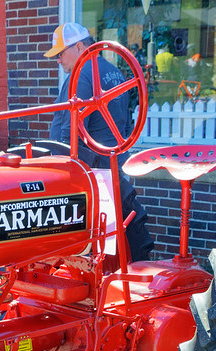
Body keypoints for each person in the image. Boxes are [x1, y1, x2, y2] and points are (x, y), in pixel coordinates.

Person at [44, 22, 154, 262]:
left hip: (89, 169)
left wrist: (58, 168)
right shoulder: (113, 71)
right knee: (115, 227)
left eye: (61, 53)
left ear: (80, 46)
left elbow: (68, 125)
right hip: (113, 164)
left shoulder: (81, 74)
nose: (58, 60)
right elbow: (126, 119)